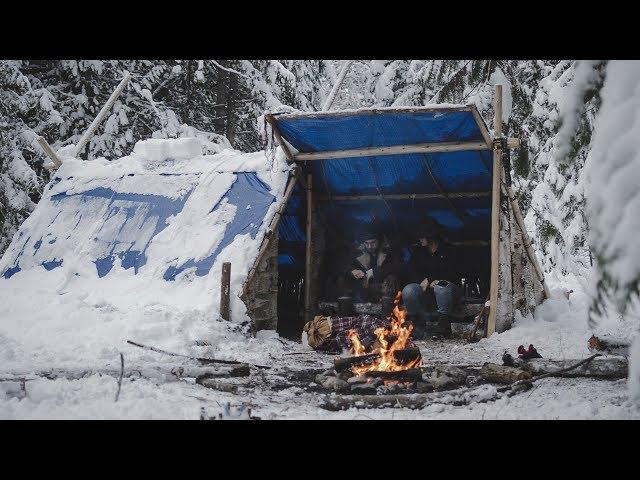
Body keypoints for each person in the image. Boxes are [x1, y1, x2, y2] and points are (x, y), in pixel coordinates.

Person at [401, 223, 462, 339]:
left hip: (449, 290)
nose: (420, 239)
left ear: (431, 237)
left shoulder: (449, 250)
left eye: (422, 236)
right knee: (409, 290)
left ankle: (443, 327)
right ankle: (418, 326)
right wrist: (422, 280)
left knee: (442, 286)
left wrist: (433, 279)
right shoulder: (419, 252)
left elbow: (454, 273)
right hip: (426, 290)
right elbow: (410, 271)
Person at [347, 227, 400, 313]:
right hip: (366, 289)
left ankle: (387, 315)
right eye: (366, 243)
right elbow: (346, 267)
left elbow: (397, 268)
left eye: (373, 243)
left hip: (386, 289)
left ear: (378, 241)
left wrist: (374, 272)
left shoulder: (389, 251)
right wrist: (352, 271)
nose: (369, 246)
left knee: (391, 278)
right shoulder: (358, 252)